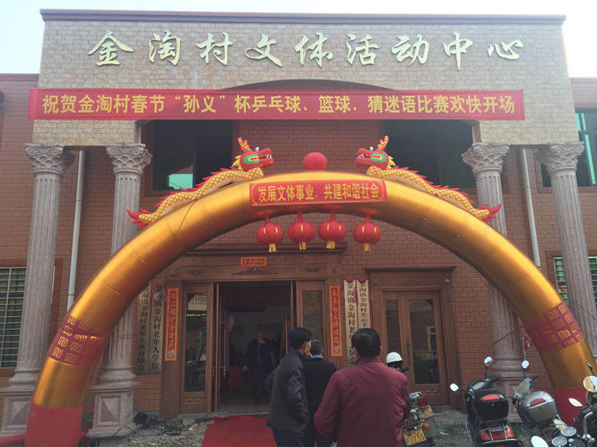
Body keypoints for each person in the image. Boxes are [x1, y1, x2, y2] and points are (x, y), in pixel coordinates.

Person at [314, 328, 410, 447]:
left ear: (355, 352)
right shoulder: (399, 379)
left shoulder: (340, 379)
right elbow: (405, 414)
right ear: (380, 350)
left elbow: (322, 420)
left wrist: (338, 436)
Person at [267, 327, 312, 447]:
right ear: (305, 345)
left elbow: (269, 381)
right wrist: (304, 416)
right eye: (309, 343)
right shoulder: (296, 364)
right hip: (290, 425)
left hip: (281, 423)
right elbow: (294, 395)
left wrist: (278, 399)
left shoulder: (287, 359)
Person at [303, 339, 336, 447]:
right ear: (322, 351)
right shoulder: (330, 367)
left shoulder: (303, 366)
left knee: (307, 442)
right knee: (324, 443)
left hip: (308, 412)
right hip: (325, 412)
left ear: (309, 351)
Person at [245, 331, 274, 405]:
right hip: (256, 366)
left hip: (265, 366)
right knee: (256, 383)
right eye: (258, 336)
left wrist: (264, 343)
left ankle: (266, 398)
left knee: (265, 382)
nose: (259, 337)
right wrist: (246, 365)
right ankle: (257, 400)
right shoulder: (252, 343)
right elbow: (249, 354)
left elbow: (272, 349)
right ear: (256, 336)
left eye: (261, 336)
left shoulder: (267, 341)